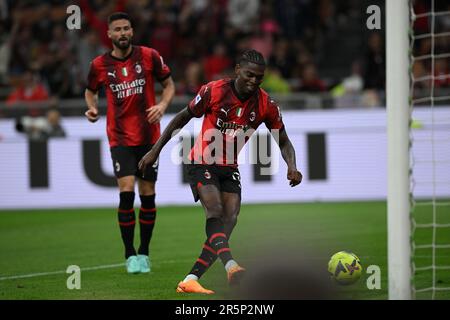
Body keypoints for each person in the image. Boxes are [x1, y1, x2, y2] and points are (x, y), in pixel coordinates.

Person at [139, 49, 302, 294]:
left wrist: (292, 166)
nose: (254, 81)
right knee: (214, 210)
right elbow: (181, 119)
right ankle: (231, 265)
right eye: (249, 75)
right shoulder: (214, 91)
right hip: (201, 161)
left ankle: (191, 279)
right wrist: (155, 150)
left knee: (230, 220)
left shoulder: (266, 104)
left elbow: (284, 140)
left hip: (229, 166)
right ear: (237, 70)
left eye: (259, 77)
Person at [84, 12, 175, 274]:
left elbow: (169, 85)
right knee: (126, 191)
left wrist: (162, 105)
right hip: (120, 137)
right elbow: (90, 91)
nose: (122, 33)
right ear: (109, 34)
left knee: (147, 195)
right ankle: (129, 254)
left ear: (132, 31)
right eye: (117, 30)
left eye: (126, 28)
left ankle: (144, 252)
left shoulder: (148, 56)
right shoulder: (99, 65)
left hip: (149, 138)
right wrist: (92, 108)